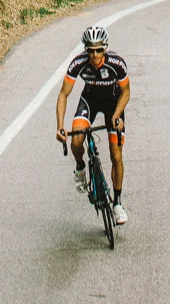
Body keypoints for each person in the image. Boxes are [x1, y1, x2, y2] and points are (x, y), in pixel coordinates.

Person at [55, 23, 130, 225]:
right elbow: (63, 94)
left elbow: (126, 92)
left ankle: (117, 204)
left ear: (104, 48)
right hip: (90, 99)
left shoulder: (117, 64)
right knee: (77, 138)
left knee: (116, 155)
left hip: (113, 104)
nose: (94, 55)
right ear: (85, 50)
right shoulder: (78, 63)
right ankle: (80, 167)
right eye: (90, 51)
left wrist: (117, 116)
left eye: (98, 50)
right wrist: (60, 125)